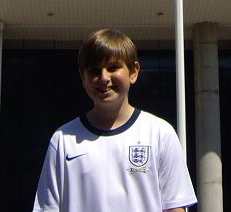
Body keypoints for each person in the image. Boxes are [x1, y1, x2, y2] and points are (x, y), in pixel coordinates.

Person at [32, 28, 197, 212]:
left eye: (112, 68)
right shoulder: (63, 139)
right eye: (95, 70)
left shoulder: (160, 133)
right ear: (83, 77)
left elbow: (175, 207)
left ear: (133, 72)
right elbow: (48, 208)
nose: (104, 78)